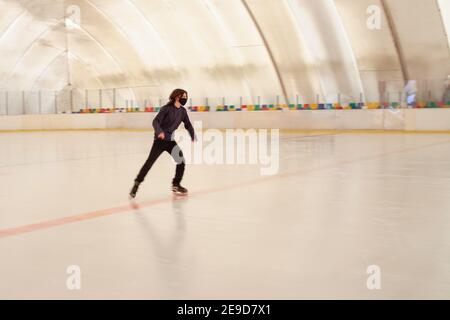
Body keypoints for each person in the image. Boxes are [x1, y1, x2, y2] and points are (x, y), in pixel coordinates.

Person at [129, 89, 196, 198]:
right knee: (149, 163)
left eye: (186, 96)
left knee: (181, 161)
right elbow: (155, 121)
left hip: (170, 141)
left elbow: (187, 124)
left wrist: (192, 135)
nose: (185, 98)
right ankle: (137, 183)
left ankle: (176, 184)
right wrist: (159, 131)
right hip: (160, 141)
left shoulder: (182, 111)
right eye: (184, 96)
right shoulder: (166, 109)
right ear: (177, 97)